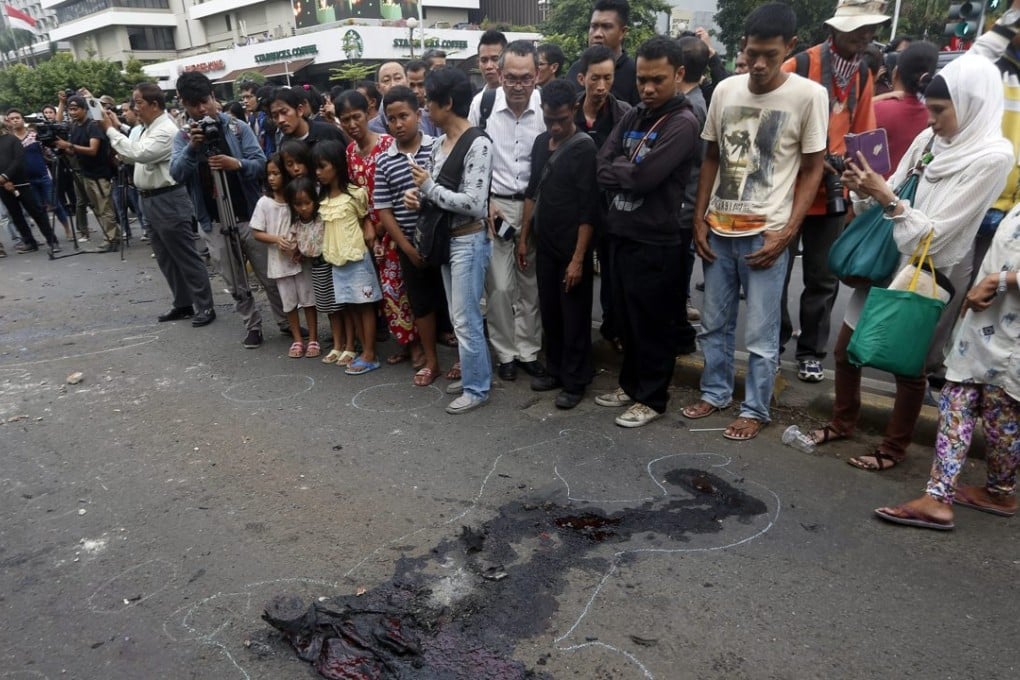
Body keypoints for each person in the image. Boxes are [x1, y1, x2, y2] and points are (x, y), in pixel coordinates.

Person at [808, 53, 1014, 471]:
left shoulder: (994, 156)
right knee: (846, 350)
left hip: (931, 269)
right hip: (888, 255)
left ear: (972, 104)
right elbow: (896, 187)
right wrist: (863, 188)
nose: (931, 120)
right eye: (930, 109)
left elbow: (938, 234)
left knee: (907, 363)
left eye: (939, 111)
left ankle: (893, 448)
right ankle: (843, 422)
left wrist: (885, 196)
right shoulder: (929, 140)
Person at [682, 3, 828, 440]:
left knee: (762, 336)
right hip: (719, 228)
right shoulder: (725, 90)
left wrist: (788, 231)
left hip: (767, 233)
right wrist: (700, 219)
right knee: (714, 323)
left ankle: (756, 409)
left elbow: (813, 168)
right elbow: (711, 157)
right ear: (742, 46)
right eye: (753, 53)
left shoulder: (808, 96)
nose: (760, 64)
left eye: (771, 54)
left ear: (791, 47)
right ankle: (715, 392)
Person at [875, 209, 1020, 530]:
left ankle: (962, 495)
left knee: (992, 409)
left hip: (1010, 335)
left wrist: (998, 281)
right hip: (989, 323)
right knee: (975, 402)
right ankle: (989, 493)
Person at [777, 0, 887, 383]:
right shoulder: (798, 66)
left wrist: (854, 179)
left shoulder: (861, 74)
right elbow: (774, 129)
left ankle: (811, 351)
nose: (865, 35)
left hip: (832, 196)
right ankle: (774, 343)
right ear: (835, 28)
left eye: (870, 29)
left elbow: (863, 133)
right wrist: (812, 158)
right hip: (789, 192)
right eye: (858, 28)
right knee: (776, 272)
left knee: (823, 279)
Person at [594, 36, 700, 428]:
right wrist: (629, 170)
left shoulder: (683, 122)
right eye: (642, 79)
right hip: (622, 232)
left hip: (658, 239)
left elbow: (645, 178)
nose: (648, 88)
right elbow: (601, 163)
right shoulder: (635, 114)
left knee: (653, 323)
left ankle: (652, 398)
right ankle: (631, 385)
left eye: (658, 79)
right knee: (626, 318)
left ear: (679, 74)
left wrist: (626, 170)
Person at [171, 71, 287, 349]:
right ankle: (252, 325)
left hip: (248, 215)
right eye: (194, 105)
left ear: (213, 97)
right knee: (234, 280)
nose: (202, 110)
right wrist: (192, 148)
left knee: (269, 273)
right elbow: (176, 173)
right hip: (213, 220)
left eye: (205, 101)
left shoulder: (237, 128)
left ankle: (286, 321)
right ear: (184, 105)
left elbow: (261, 165)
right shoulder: (183, 137)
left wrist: (236, 164)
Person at [405, 67, 494, 414]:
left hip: (468, 240)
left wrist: (428, 188)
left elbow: (475, 204)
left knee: (466, 319)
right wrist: (418, 196)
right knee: (460, 318)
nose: (425, 107)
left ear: (448, 103)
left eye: (430, 100)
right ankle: (474, 375)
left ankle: (476, 388)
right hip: (447, 240)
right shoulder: (440, 143)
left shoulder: (478, 143)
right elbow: (432, 190)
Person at [101, 83, 216, 326]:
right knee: (165, 256)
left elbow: (140, 154)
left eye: (139, 102)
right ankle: (183, 303)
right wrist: (117, 131)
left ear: (154, 104)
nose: (135, 108)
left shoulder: (165, 130)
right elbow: (130, 153)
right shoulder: (145, 129)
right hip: (149, 198)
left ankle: (205, 305)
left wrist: (111, 130)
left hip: (168, 197)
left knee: (184, 255)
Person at [469, 40, 547, 383]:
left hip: (534, 208)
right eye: (511, 78)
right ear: (500, 74)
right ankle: (505, 353)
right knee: (499, 286)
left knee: (531, 283)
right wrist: (484, 201)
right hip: (495, 209)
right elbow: (469, 155)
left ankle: (529, 350)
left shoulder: (545, 108)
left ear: (537, 75)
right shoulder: (483, 104)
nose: (518, 86)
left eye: (525, 78)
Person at [521, 79, 598, 409]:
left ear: (574, 110)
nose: (555, 126)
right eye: (549, 119)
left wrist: (578, 258)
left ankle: (576, 380)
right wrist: (523, 238)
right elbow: (531, 192)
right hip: (545, 244)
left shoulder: (584, 148)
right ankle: (554, 369)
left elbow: (589, 209)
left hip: (572, 247)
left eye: (562, 120)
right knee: (550, 311)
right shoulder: (541, 143)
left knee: (574, 316)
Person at [374, 86, 440, 387]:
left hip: (442, 238)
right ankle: (431, 360)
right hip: (409, 243)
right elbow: (384, 210)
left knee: (451, 300)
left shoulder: (437, 148)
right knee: (420, 303)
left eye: (404, 116)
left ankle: (463, 360)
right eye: (392, 119)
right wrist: (406, 248)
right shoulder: (384, 161)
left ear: (419, 114)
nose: (398, 124)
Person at [573, 45, 632, 350]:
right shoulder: (568, 112)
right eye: (595, 78)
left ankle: (614, 328)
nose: (601, 86)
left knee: (613, 273)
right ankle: (575, 333)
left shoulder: (625, 113)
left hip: (611, 207)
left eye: (607, 78)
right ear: (582, 78)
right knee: (576, 269)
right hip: (575, 208)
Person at [315, 139, 383, 375]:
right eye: (315, 167)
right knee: (351, 306)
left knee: (365, 306)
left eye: (322, 166)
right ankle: (363, 350)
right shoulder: (322, 199)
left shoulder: (355, 194)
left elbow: (366, 219)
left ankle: (370, 353)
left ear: (336, 165)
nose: (318, 172)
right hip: (337, 261)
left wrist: (370, 230)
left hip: (357, 259)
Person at [251, 155, 317, 358]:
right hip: (279, 261)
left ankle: (313, 338)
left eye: (276, 173)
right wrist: (276, 239)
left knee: (308, 299)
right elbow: (256, 232)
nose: (271, 178)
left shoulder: (295, 199)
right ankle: (297, 339)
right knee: (289, 302)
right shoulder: (264, 203)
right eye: (269, 174)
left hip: (300, 258)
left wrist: (300, 248)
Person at [55, 95, 121, 252]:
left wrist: (69, 145)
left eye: (75, 109)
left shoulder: (93, 126)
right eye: (70, 109)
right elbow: (74, 151)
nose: (72, 112)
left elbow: (93, 150)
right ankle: (112, 236)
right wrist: (63, 148)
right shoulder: (74, 127)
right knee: (97, 208)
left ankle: (112, 239)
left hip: (99, 173)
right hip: (86, 173)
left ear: (84, 109)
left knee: (105, 208)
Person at [6, 109, 73, 241]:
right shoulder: (10, 141)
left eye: (17, 117)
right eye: (12, 119)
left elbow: (47, 153)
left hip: (43, 175)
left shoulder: (35, 136)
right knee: (39, 209)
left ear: (22, 119)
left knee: (55, 204)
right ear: (8, 122)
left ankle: (67, 230)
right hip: (26, 181)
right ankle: (49, 235)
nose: (15, 120)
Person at [873, 41, 939, 174]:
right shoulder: (932, 117)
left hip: (871, 185)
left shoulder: (877, 109)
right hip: (908, 186)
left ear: (896, 72)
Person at [0, 121, 60, 254]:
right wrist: (3, 181)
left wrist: (5, 176)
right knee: (15, 216)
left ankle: (52, 241)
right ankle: (29, 242)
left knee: (37, 212)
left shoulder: (12, 139)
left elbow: (18, 160)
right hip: (2, 186)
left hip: (22, 183)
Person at [566, 0, 640, 106]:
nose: (597, 34)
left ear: (623, 32)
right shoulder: (576, 69)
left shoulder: (635, 74)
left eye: (606, 27)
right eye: (594, 26)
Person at [270, 88, 346, 150]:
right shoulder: (284, 145)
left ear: (299, 110)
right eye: (275, 116)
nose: (280, 120)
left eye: (284, 112)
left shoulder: (328, 133)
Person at [369, 62, 408, 133]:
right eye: (386, 80)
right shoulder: (371, 129)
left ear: (407, 80)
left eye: (398, 78)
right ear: (378, 87)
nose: (393, 85)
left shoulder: (426, 118)